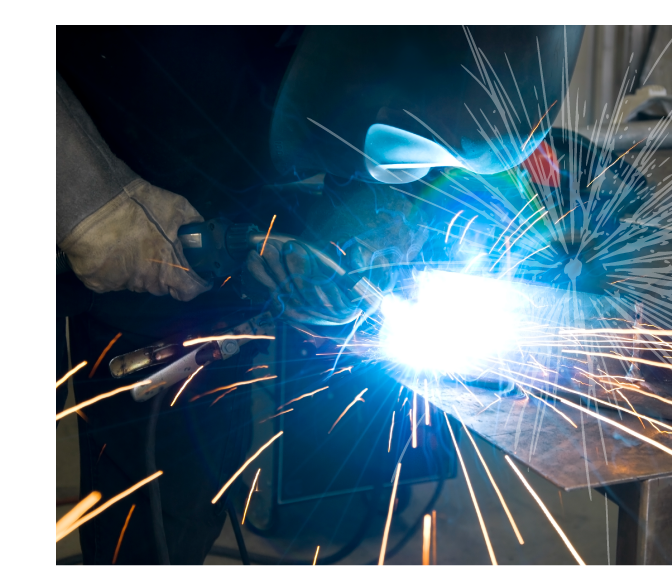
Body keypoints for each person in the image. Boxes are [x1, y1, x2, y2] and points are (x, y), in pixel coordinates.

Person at [56, 25, 583, 565]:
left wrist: (361, 213)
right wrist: (85, 199)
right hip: (90, 168)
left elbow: (348, 105)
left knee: (171, 516)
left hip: (205, 249)